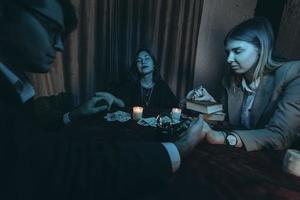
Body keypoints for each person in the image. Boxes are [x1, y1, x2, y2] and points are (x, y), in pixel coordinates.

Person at [0, 0, 206, 199]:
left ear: (154, 63)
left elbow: (173, 107)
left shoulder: (162, 87)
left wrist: (74, 114)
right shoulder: (129, 84)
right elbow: (62, 164)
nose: (60, 45)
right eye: (51, 28)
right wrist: (179, 148)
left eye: (146, 58)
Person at [187, 17, 300, 151]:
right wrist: (210, 105)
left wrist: (223, 137)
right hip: (237, 157)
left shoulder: (292, 73)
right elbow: (229, 124)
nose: (229, 59)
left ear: (260, 49)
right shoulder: (230, 80)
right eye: (227, 52)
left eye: (237, 51)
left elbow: (280, 136)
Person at [107, 49, 178, 109]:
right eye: (139, 60)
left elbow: (175, 106)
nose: (143, 62)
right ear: (136, 67)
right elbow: (123, 104)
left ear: (154, 65)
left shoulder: (162, 86)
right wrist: (112, 98)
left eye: (147, 58)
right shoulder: (131, 84)